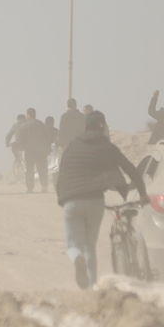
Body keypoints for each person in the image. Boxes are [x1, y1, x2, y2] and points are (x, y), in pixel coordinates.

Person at [57, 111, 149, 289]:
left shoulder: (72, 146)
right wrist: (143, 193)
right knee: (90, 246)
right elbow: (131, 169)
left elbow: (63, 173)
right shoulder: (108, 147)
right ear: (104, 128)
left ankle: (77, 259)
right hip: (95, 200)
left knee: (74, 245)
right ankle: (92, 288)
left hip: (72, 201)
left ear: (84, 127)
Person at [17, 108, 52, 193]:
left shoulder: (25, 125)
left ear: (28, 115)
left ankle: (30, 188)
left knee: (29, 169)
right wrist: (48, 148)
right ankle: (44, 187)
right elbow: (48, 137)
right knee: (42, 169)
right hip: (41, 150)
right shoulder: (41, 124)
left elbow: (20, 138)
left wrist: (21, 147)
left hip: (30, 150)